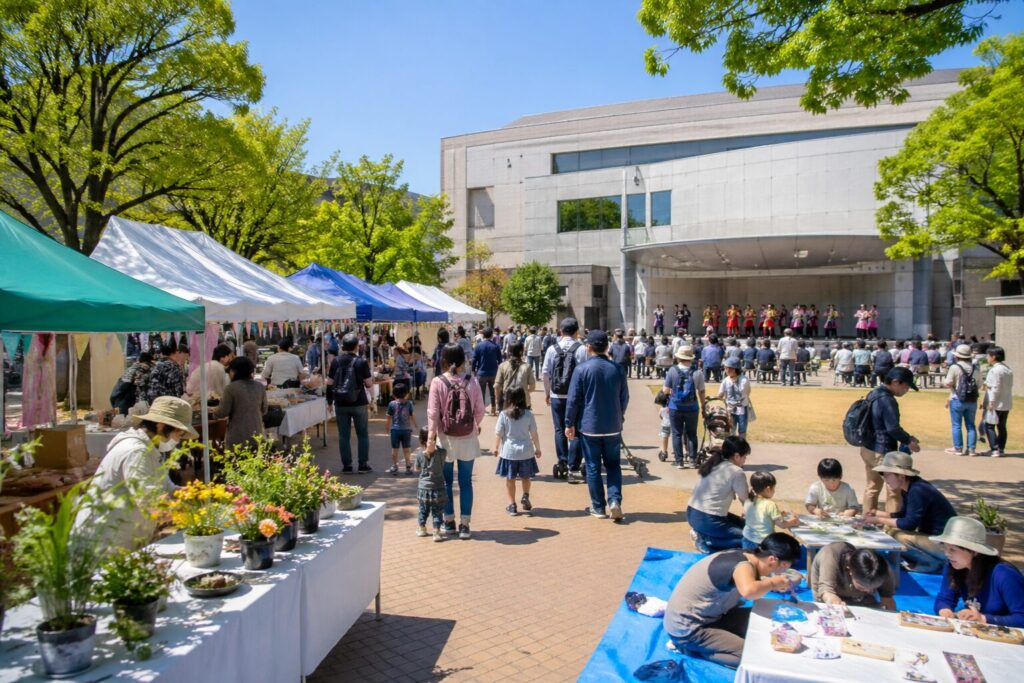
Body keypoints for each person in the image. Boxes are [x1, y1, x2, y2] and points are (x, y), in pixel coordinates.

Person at [76, 396, 197, 551]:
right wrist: (191, 517)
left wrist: (196, 494)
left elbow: (167, 488)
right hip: (103, 542)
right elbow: (151, 502)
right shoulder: (136, 451)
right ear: (160, 426)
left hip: (123, 538)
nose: (178, 440)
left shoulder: (151, 451)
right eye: (178, 433)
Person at [663, 533, 801, 668]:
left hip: (712, 616)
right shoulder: (742, 566)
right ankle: (696, 651)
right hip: (689, 629)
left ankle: (714, 643)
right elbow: (749, 591)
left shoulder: (746, 556)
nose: (783, 571)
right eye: (784, 566)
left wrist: (771, 584)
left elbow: (752, 583)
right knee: (751, 656)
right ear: (772, 559)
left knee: (766, 621)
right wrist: (772, 583)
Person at [565, 330, 630, 521]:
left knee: (593, 466)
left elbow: (573, 400)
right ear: (607, 347)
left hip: (590, 425)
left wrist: (569, 423)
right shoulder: (618, 369)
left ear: (589, 347)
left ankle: (598, 506)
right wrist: (620, 414)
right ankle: (615, 500)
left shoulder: (582, 369)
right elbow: (624, 397)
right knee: (613, 465)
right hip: (613, 424)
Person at [427, 343, 485, 539]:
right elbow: (480, 409)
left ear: (443, 360)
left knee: (446, 482)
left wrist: (430, 438)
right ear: (463, 360)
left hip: (445, 439)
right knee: (466, 481)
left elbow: (433, 413)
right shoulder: (472, 381)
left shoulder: (437, 382)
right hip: (468, 438)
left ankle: (449, 521)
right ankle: (465, 525)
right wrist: (474, 424)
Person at [864, 452, 957, 574]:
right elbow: (904, 514)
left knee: (897, 536)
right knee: (890, 531)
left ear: (901, 476)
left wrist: (878, 520)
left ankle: (932, 564)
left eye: (887, 475)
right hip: (936, 540)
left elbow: (909, 524)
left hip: (946, 545)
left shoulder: (917, 490)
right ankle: (927, 561)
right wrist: (879, 513)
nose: (884, 478)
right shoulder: (910, 488)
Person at [932, 516, 1024, 626]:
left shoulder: (1004, 575)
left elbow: (1021, 617)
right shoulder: (954, 566)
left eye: (953, 549)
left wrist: (984, 619)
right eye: (945, 548)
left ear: (974, 551)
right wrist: (945, 611)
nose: (947, 554)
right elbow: (944, 599)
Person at [860, 367, 921, 513]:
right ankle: (891, 525)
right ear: (895, 382)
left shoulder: (874, 393)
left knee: (872, 487)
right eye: (905, 387)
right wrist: (909, 440)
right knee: (894, 489)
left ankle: (867, 521)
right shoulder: (887, 400)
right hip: (883, 450)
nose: (906, 391)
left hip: (868, 447)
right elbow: (892, 428)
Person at [542, 317, 589, 483]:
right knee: (576, 430)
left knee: (559, 429)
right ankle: (574, 467)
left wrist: (548, 392)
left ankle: (562, 461)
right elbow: (585, 373)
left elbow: (546, 372)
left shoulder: (552, 349)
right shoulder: (581, 349)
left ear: (560, 331)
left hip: (557, 395)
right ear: (577, 331)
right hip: (576, 397)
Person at [687, 436, 751, 553]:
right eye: (745, 456)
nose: (745, 460)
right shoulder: (736, 472)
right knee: (749, 539)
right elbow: (745, 500)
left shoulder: (713, 463)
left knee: (743, 526)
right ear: (737, 456)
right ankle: (706, 540)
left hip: (692, 513)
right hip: (708, 519)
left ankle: (701, 533)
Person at [327, 333, 374, 473]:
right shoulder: (362, 362)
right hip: (359, 402)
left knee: (343, 435)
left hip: (340, 403)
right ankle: (363, 465)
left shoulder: (335, 361)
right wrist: (372, 400)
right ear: (356, 346)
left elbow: (329, 383)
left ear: (342, 346)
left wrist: (329, 402)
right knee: (363, 434)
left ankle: (347, 466)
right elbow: (369, 383)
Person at [494, 387, 542, 516]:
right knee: (526, 476)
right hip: (526, 451)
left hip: (509, 452)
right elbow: (534, 433)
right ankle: (525, 495)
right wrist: (538, 448)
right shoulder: (528, 414)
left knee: (511, 479)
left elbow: (499, 433)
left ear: (508, 398)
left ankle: (512, 505)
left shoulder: (504, 414)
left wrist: (496, 447)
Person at [811, 542, 896, 610]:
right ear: (850, 571)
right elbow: (826, 591)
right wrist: (837, 606)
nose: (869, 591)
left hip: (861, 599)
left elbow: (887, 600)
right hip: (829, 596)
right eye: (862, 587)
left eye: (874, 588)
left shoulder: (882, 569)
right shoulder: (830, 556)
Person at [662, 345, 706, 468]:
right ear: (691, 358)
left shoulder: (672, 370)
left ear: (679, 357)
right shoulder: (698, 372)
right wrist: (703, 406)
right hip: (692, 408)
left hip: (675, 407)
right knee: (692, 433)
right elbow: (701, 391)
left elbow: (666, 390)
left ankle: (679, 460)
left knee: (676, 433)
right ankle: (692, 459)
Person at [215, 357, 268, 450]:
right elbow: (264, 410)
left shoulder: (230, 388)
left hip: (238, 436)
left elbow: (222, 412)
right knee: (255, 462)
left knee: (235, 462)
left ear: (234, 371)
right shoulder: (259, 387)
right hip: (257, 433)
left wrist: (213, 414)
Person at [742, 472, 799, 550]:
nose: (774, 491)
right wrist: (794, 521)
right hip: (763, 543)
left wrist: (780, 514)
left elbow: (749, 516)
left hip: (747, 539)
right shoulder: (770, 504)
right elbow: (782, 525)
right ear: (768, 489)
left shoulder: (748, 501)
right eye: (774, 488)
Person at [943, 344, 979, 456]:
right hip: (972, 399)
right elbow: (979, 383)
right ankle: (971, 449)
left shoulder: (955, 367)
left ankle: (958, 448)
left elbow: (948, 382)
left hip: (957, 398)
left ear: (957, 356)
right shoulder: (976, 368)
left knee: (956, 425)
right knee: (971, 425)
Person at [415, 428, 448, 542]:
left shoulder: (419, 454)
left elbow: (417, 468)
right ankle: (436, 532)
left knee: (423, 509)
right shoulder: (442, 453)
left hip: (424, 487)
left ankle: (422, 528)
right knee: (437, 511)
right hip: (438, 487)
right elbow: (444, 461)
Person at [981, 346, 1013, 457]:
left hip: (996, 403)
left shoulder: (995, 370)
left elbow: (995, 387)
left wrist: (991, 402)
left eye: (988, 355)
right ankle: (1001, 448)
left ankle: (994, 449)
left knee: (989, 425)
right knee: (1002, 426)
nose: (987, 357)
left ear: (993, 357)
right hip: (1006, 402)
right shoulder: (1007, 369)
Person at [494, 340, 535, 411]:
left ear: (509, 352)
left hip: (507, 402)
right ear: (521, 352)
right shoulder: (527, 367)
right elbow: (532, 387)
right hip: (524, 403)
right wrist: (525, 392)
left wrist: (497, 401)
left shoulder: (502, 366)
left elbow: (497, 386)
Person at [386, 384, 418, 475]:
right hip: (406, 430)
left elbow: (388, 418)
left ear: (394, 394)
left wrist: (387, 428)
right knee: (407, 449)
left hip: (395, 430)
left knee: (394, 449)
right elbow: (412, 415)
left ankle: (394, 466)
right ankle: (408, 466)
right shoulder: (409, 404)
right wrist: (415, 425)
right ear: (407, 394)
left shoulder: (391, 404)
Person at [717, 357, 751, 438]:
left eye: (730, 369)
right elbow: (720, 395)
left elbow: (747, 393)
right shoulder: (726, 380)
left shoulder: (744, 380)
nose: (727, 370)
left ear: (736, 369)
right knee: (731, 430)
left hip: (742, 409)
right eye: (726, 368)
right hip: (730, 410)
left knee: (742, 430)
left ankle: (741, 446)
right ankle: (732, 448)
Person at [471, 327, 502, 416]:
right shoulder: (496, 346)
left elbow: (474, 359)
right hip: (493, 372)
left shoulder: (478, 345)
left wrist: (473, 370)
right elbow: (500, 361)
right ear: (492, 335)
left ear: (483, 335)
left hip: (481, 372)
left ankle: (482, 409)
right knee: (493, 392)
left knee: (481, 392)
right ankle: (493, 409)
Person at [655, 391, 670, 463]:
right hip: (673, 424)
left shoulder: (661, 409)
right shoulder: (671, 408)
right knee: (676, 437)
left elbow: (660, 416)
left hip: (665, 424)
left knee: (665, 437)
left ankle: (664, 451)